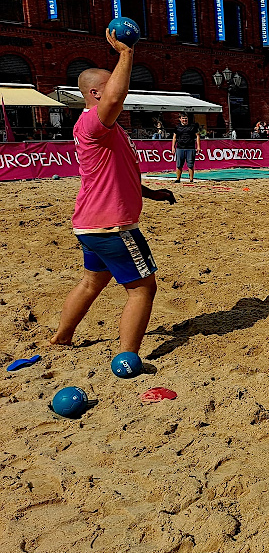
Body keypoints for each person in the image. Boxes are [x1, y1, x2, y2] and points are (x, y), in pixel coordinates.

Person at [50, 29, 176, 356]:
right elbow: (116, 97)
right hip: (113, 227)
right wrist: (126, 53)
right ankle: (129, 356)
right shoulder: (94, 121)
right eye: (109, 84)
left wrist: (150, 193)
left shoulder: (108, 128)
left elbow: (114, 176)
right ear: (94, 93)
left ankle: (61, 337)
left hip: (91, 225)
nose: (121, 85)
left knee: (92, 283)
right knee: (143, 289)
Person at [171, 112, 201, 182]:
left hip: (190, 148)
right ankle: (178, 179)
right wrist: (173, 147)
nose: (184, 120)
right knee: (179, 165)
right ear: (180, 119)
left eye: (186, 118)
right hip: (180, 147)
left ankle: (191, 179)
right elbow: (174, 137)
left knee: (190, 164)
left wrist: (198, 147)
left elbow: (197, 136)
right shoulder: (177, 127)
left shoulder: (193, 127)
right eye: (183, 118)